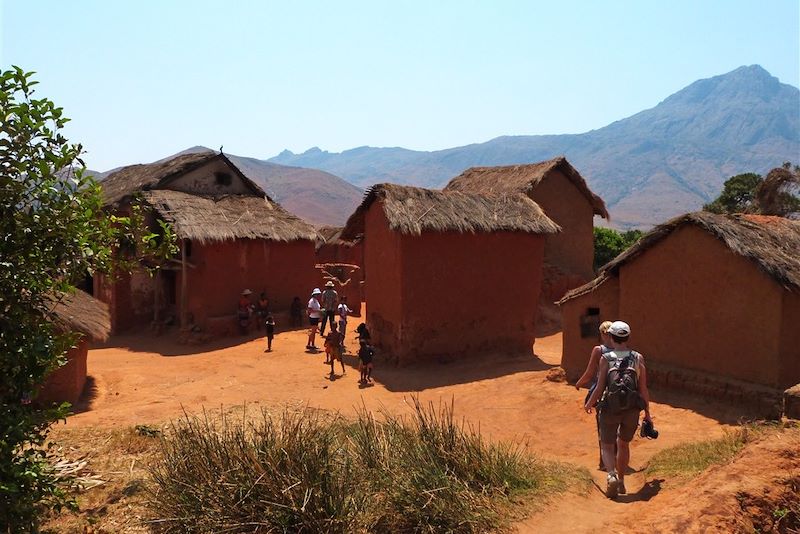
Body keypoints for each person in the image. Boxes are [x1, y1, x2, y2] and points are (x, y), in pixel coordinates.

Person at [585, 321, 652, 499]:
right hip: (632, 409)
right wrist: (647, 413)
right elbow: (643, 388)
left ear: (611, 338)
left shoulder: (606, 358)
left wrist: (590, 403)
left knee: (607, 445)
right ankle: (621, 480)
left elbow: (600, 387)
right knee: (623, 443)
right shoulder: (638, 358)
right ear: (628, 337)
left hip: (610, 408)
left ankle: (611, 475)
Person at [575, 320, 614, 469]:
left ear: (603, 334)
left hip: (603, 391)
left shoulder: (599, 350)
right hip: (620, 392)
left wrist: (579, 383)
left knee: (603, 427)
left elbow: (590, 372)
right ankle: (617, 458)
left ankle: (604, 461)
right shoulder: (623, 349)